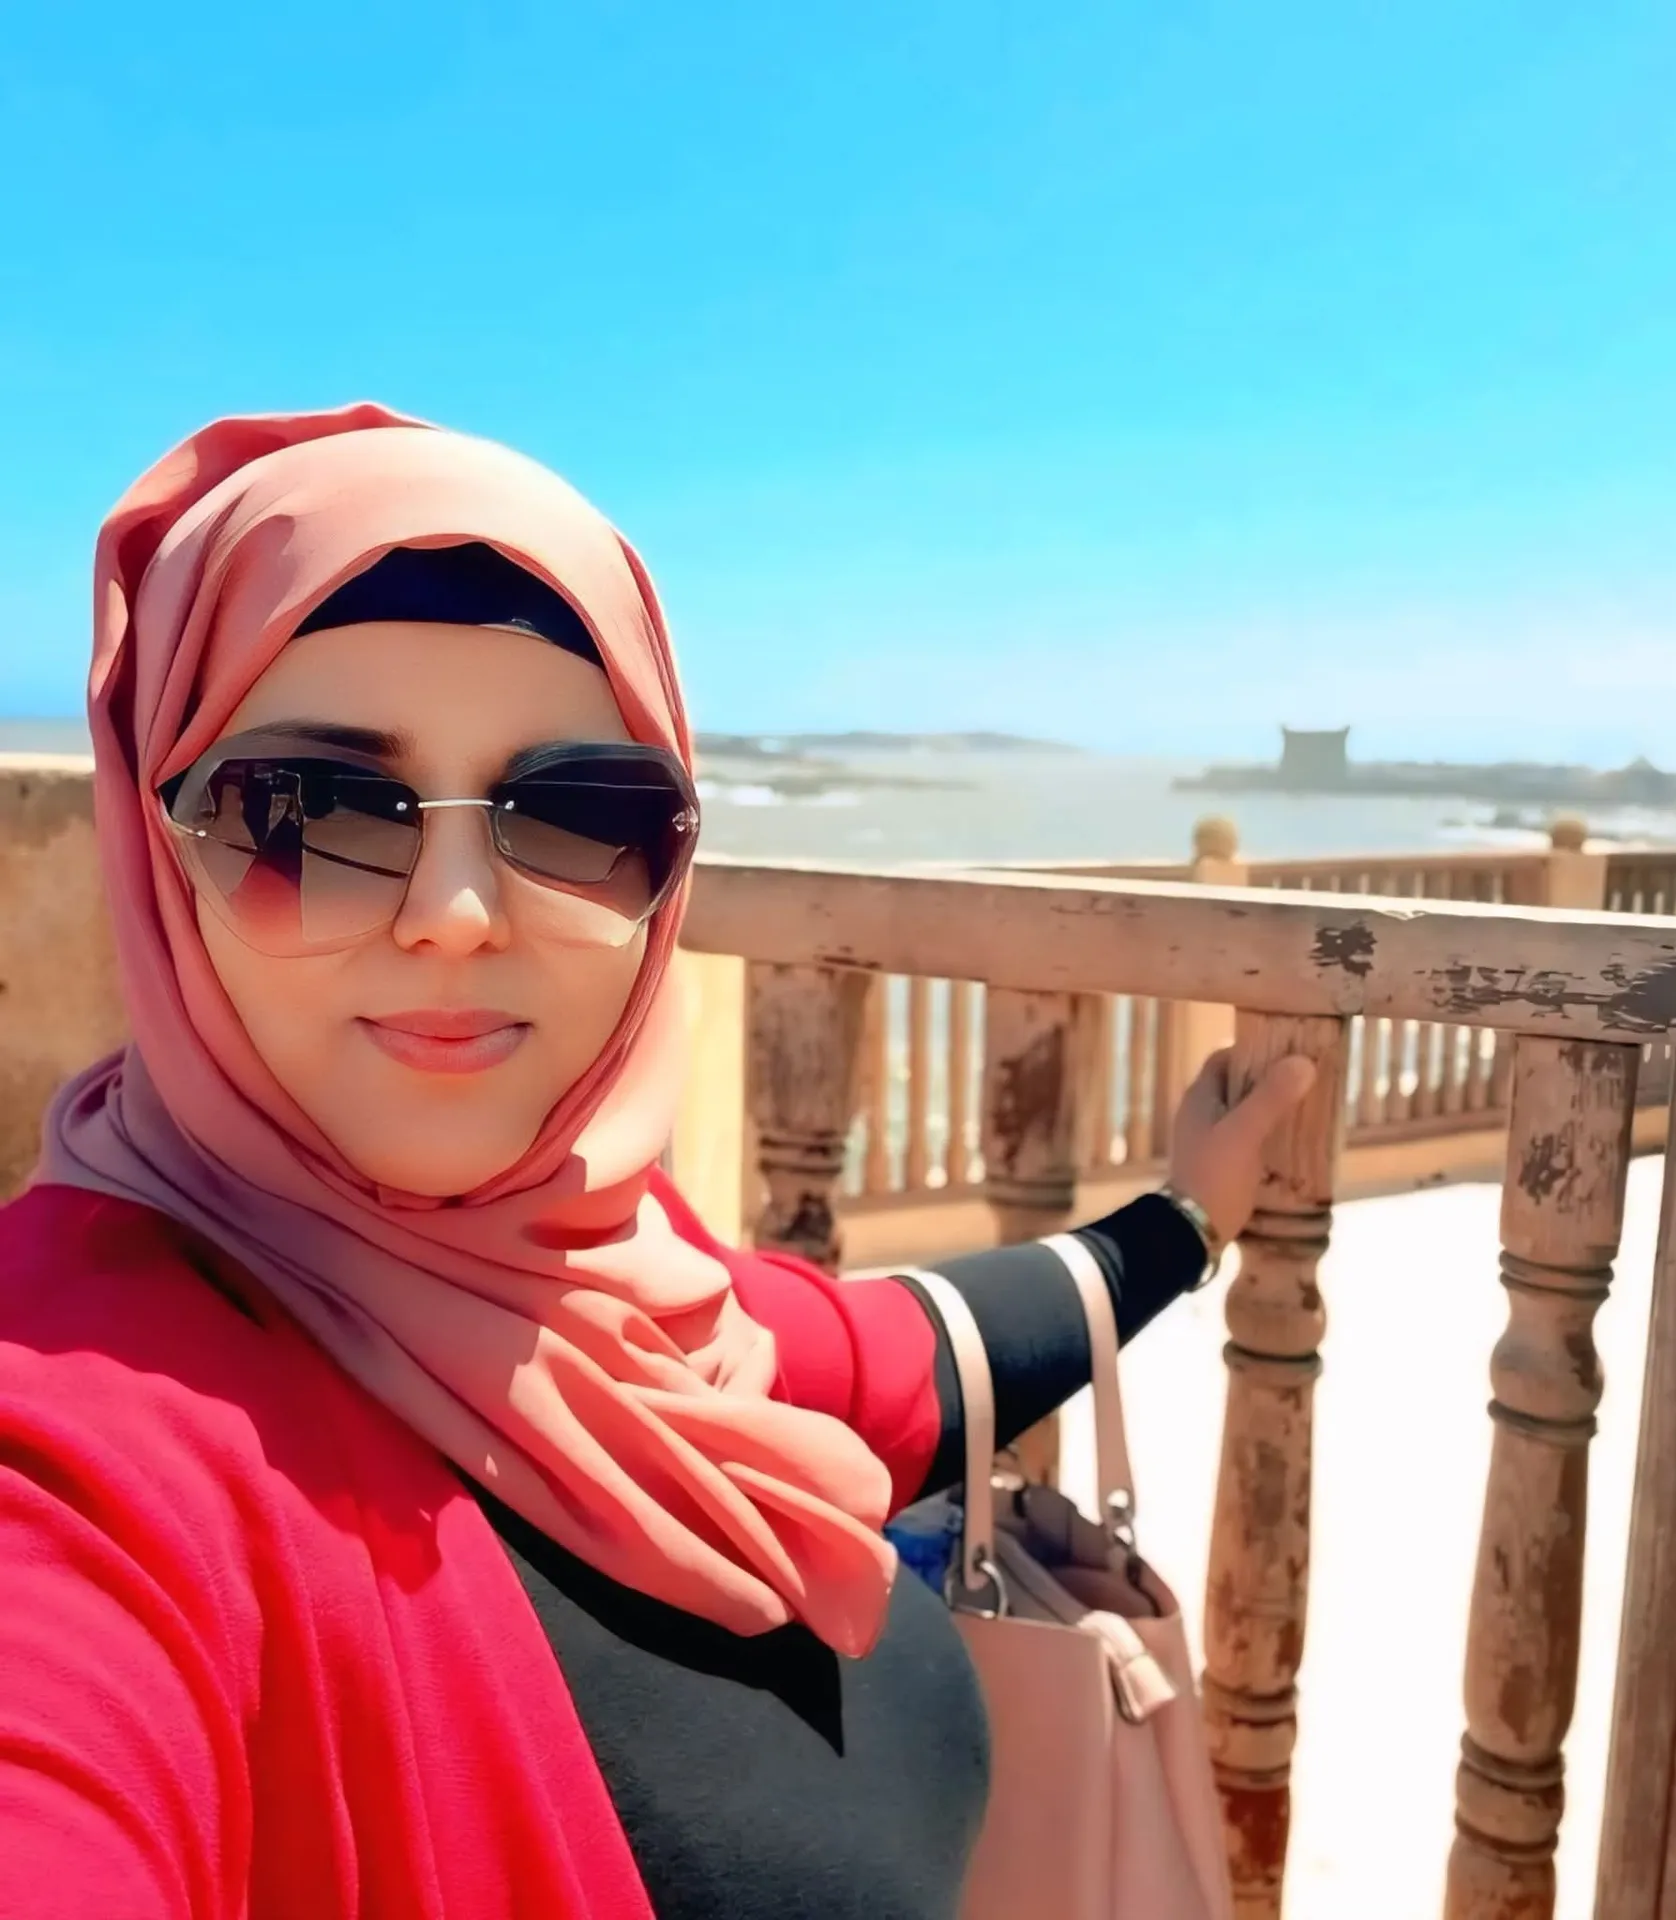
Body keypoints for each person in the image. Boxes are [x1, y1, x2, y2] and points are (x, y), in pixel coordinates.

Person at [0, 404, 1313, 1920]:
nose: (456, 916)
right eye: (308, 810)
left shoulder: (621, 1297)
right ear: (160, 848)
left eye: (578, 815)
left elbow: (899, 1357)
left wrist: (1184, 1218)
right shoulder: (79, 1445)